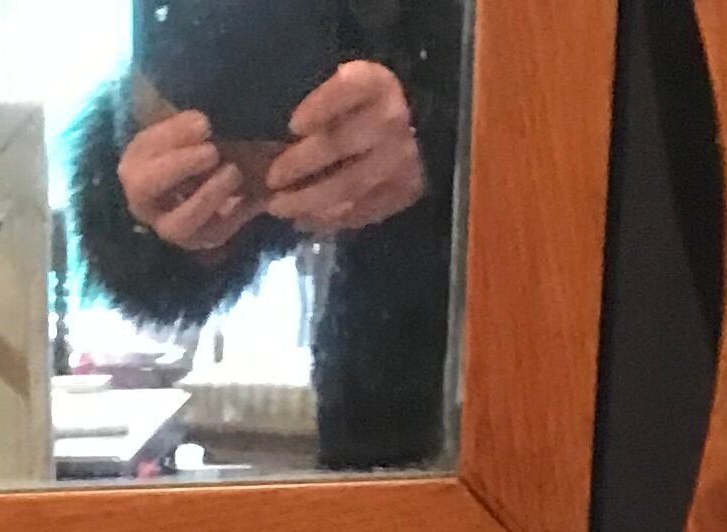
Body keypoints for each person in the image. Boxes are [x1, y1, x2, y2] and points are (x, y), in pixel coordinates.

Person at [67, 0, 465, 473]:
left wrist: (442, 128)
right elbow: (272, 84)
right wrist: (159, 176)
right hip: (391, 422)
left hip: (517, 386)